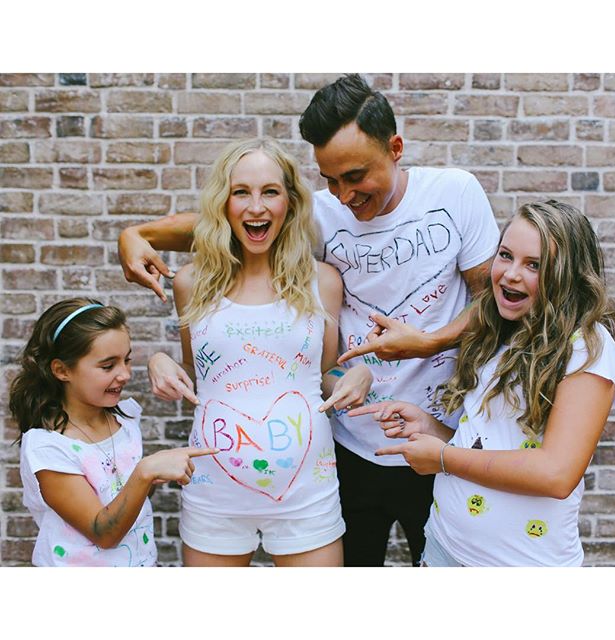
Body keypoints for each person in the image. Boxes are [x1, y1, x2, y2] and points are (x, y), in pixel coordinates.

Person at [117, 74, 499, 566]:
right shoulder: (319, 212)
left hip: (437, 434)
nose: (343, 195)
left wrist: (428, 342)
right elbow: (232, 220)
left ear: (396, 148)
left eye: (356, 176)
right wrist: (136, 232)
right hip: (348, 445)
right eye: (330, 179)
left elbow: (493, 298)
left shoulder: (454, 193)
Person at [350, 200, 615, 566]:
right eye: (505, 255)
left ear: (567, 275)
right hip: (443, 548)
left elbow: (556, 473)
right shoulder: (500, 329)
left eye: (534, 265)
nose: (511, 274)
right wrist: (433, 430)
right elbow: (491, 445)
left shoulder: (588, 348)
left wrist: (444, 458)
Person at [147, 137, 372, 567]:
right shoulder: (191, 283)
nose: (256, 207)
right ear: (223, 203)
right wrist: (159, 362)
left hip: (308, 495)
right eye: (241, 192)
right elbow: (205, 377)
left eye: (270, 191)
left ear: (289, 201)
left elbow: (320, 374)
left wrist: (359, 376)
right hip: (215, 494)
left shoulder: (322, 281)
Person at [10, 297, 216, 567]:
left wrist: (158, 358)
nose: (125, 374)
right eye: (108, 366)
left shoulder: (125, 420)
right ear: (62, 370)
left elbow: (126, 498)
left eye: (127, 360)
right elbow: (103, 533)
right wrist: (146, 472)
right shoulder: (49, 448)